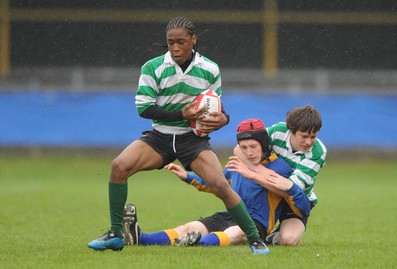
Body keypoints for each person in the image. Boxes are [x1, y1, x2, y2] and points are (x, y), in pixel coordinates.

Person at [87, 17, 269, 254]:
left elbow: (216, 105)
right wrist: (183, 113)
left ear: (193, 40)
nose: (175, 48)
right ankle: (116, 234)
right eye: (171, 42)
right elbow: (144, 108)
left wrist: (225, 119)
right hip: (160, 137)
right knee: (119, 166)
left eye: (181, 42)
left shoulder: (210, 69)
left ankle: (255, 240)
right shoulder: (152, 68)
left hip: (192, 140)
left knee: (220, 185)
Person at [122, 118, 310, 249]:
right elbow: (215, 183)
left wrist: (287, 187)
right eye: (243, 148)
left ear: (264, 145)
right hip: (230, 213)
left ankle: (198, 244)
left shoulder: (282, 168)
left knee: (235, 233)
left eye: (253, 146)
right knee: (190, 228)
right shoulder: (237, 164)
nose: (249, 152)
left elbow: (300, 204)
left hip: (256, 223)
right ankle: (139, 237)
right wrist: (187, 176)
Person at [233, 105, 327, 246]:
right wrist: (262, 171)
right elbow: (239, 150)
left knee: (289, 240)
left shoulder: (318, 153)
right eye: (304, 136)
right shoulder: (278, 131)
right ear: (291, 131)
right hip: (269, 191)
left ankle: (270, 238)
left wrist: (256, 175)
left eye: (313, 136)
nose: (308, 142)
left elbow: (290, 188)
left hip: (295, 201)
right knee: (243, 229)